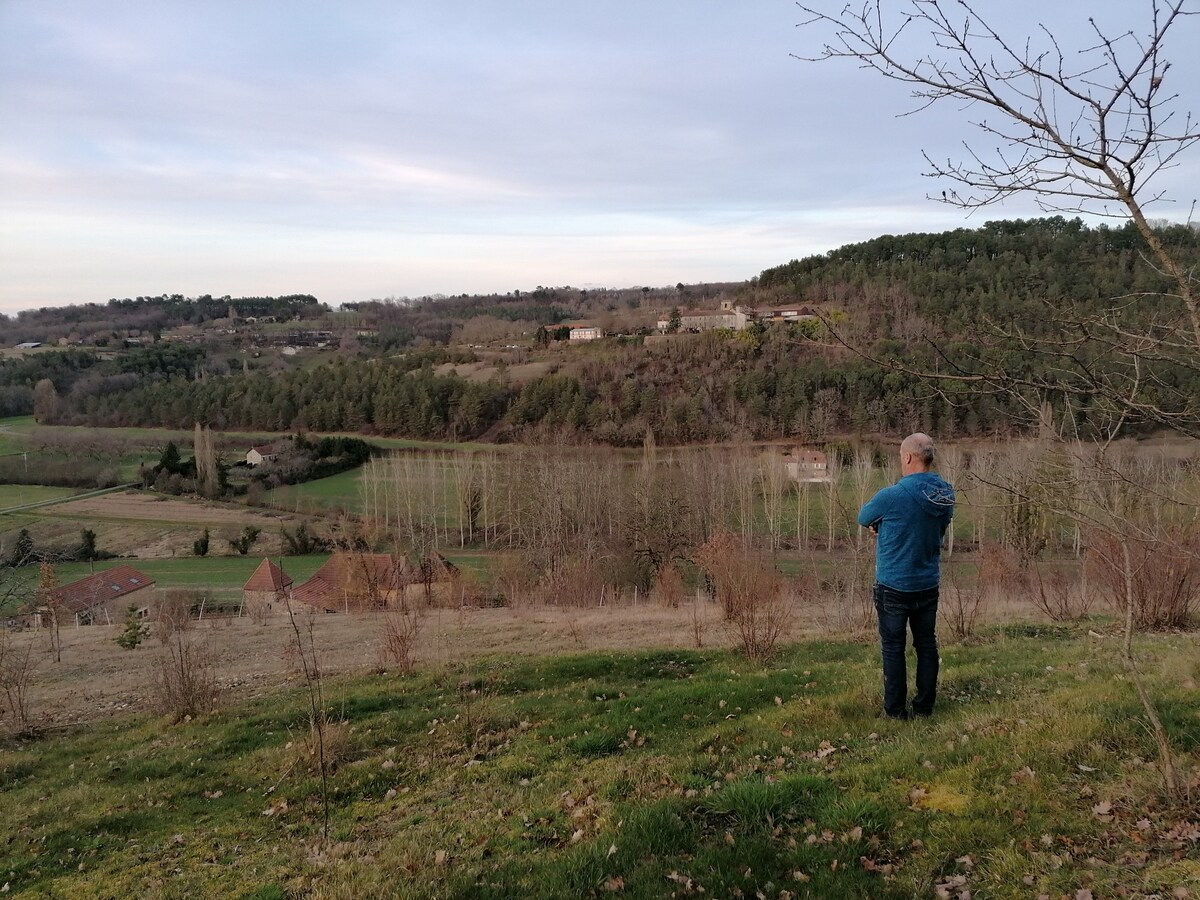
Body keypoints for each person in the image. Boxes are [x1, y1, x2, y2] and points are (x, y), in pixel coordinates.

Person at [857, 433, 955, 719]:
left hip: (894, 584)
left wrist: (880, 525)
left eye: (901, 457)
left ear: (908, 457)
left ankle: (895, 711)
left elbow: (864, 517)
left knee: (893, 648)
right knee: (926, 644)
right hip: (927, 582)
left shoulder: (892, 496)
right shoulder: (945, 494)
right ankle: (924, 708)